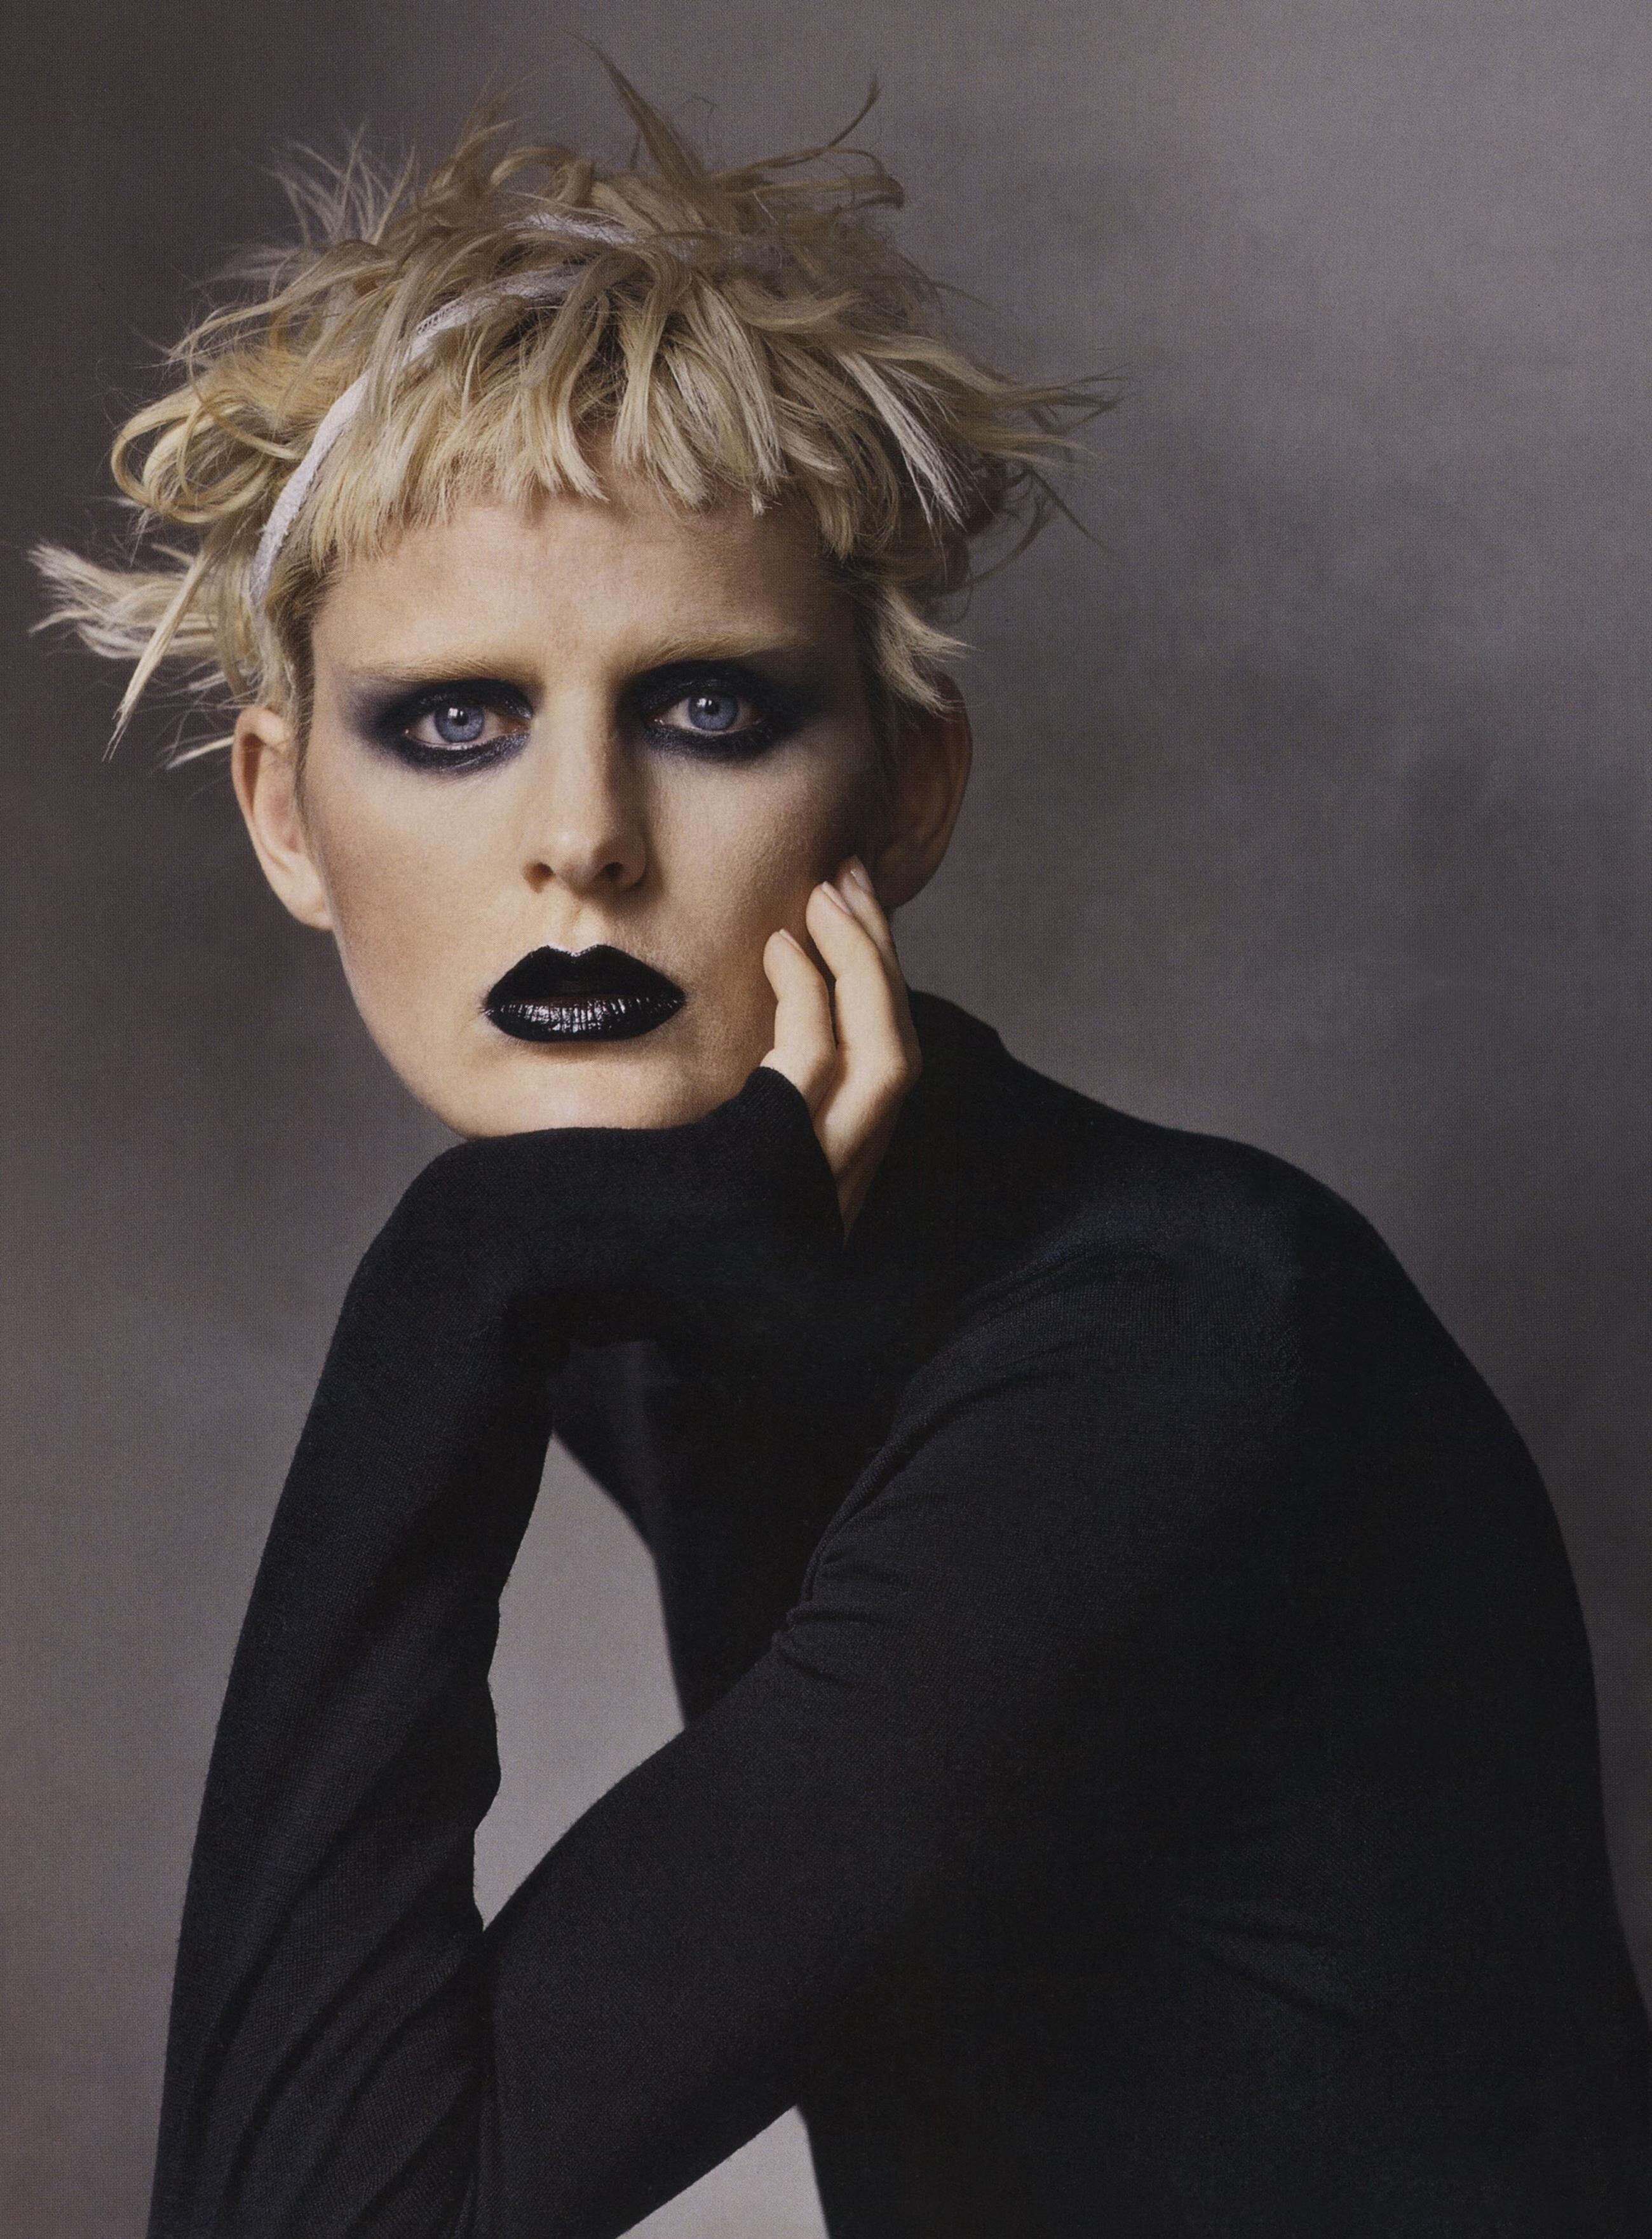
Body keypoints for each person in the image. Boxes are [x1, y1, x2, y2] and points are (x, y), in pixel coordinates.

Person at [36, 62, 1650, 2239]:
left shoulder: (1166, 1347)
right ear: (283, 812)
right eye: (455, 720)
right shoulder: (700, 1286)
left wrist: (455, 1265)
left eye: (709, 708)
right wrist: (510, 1268)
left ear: (907, 789)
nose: (583, 838)